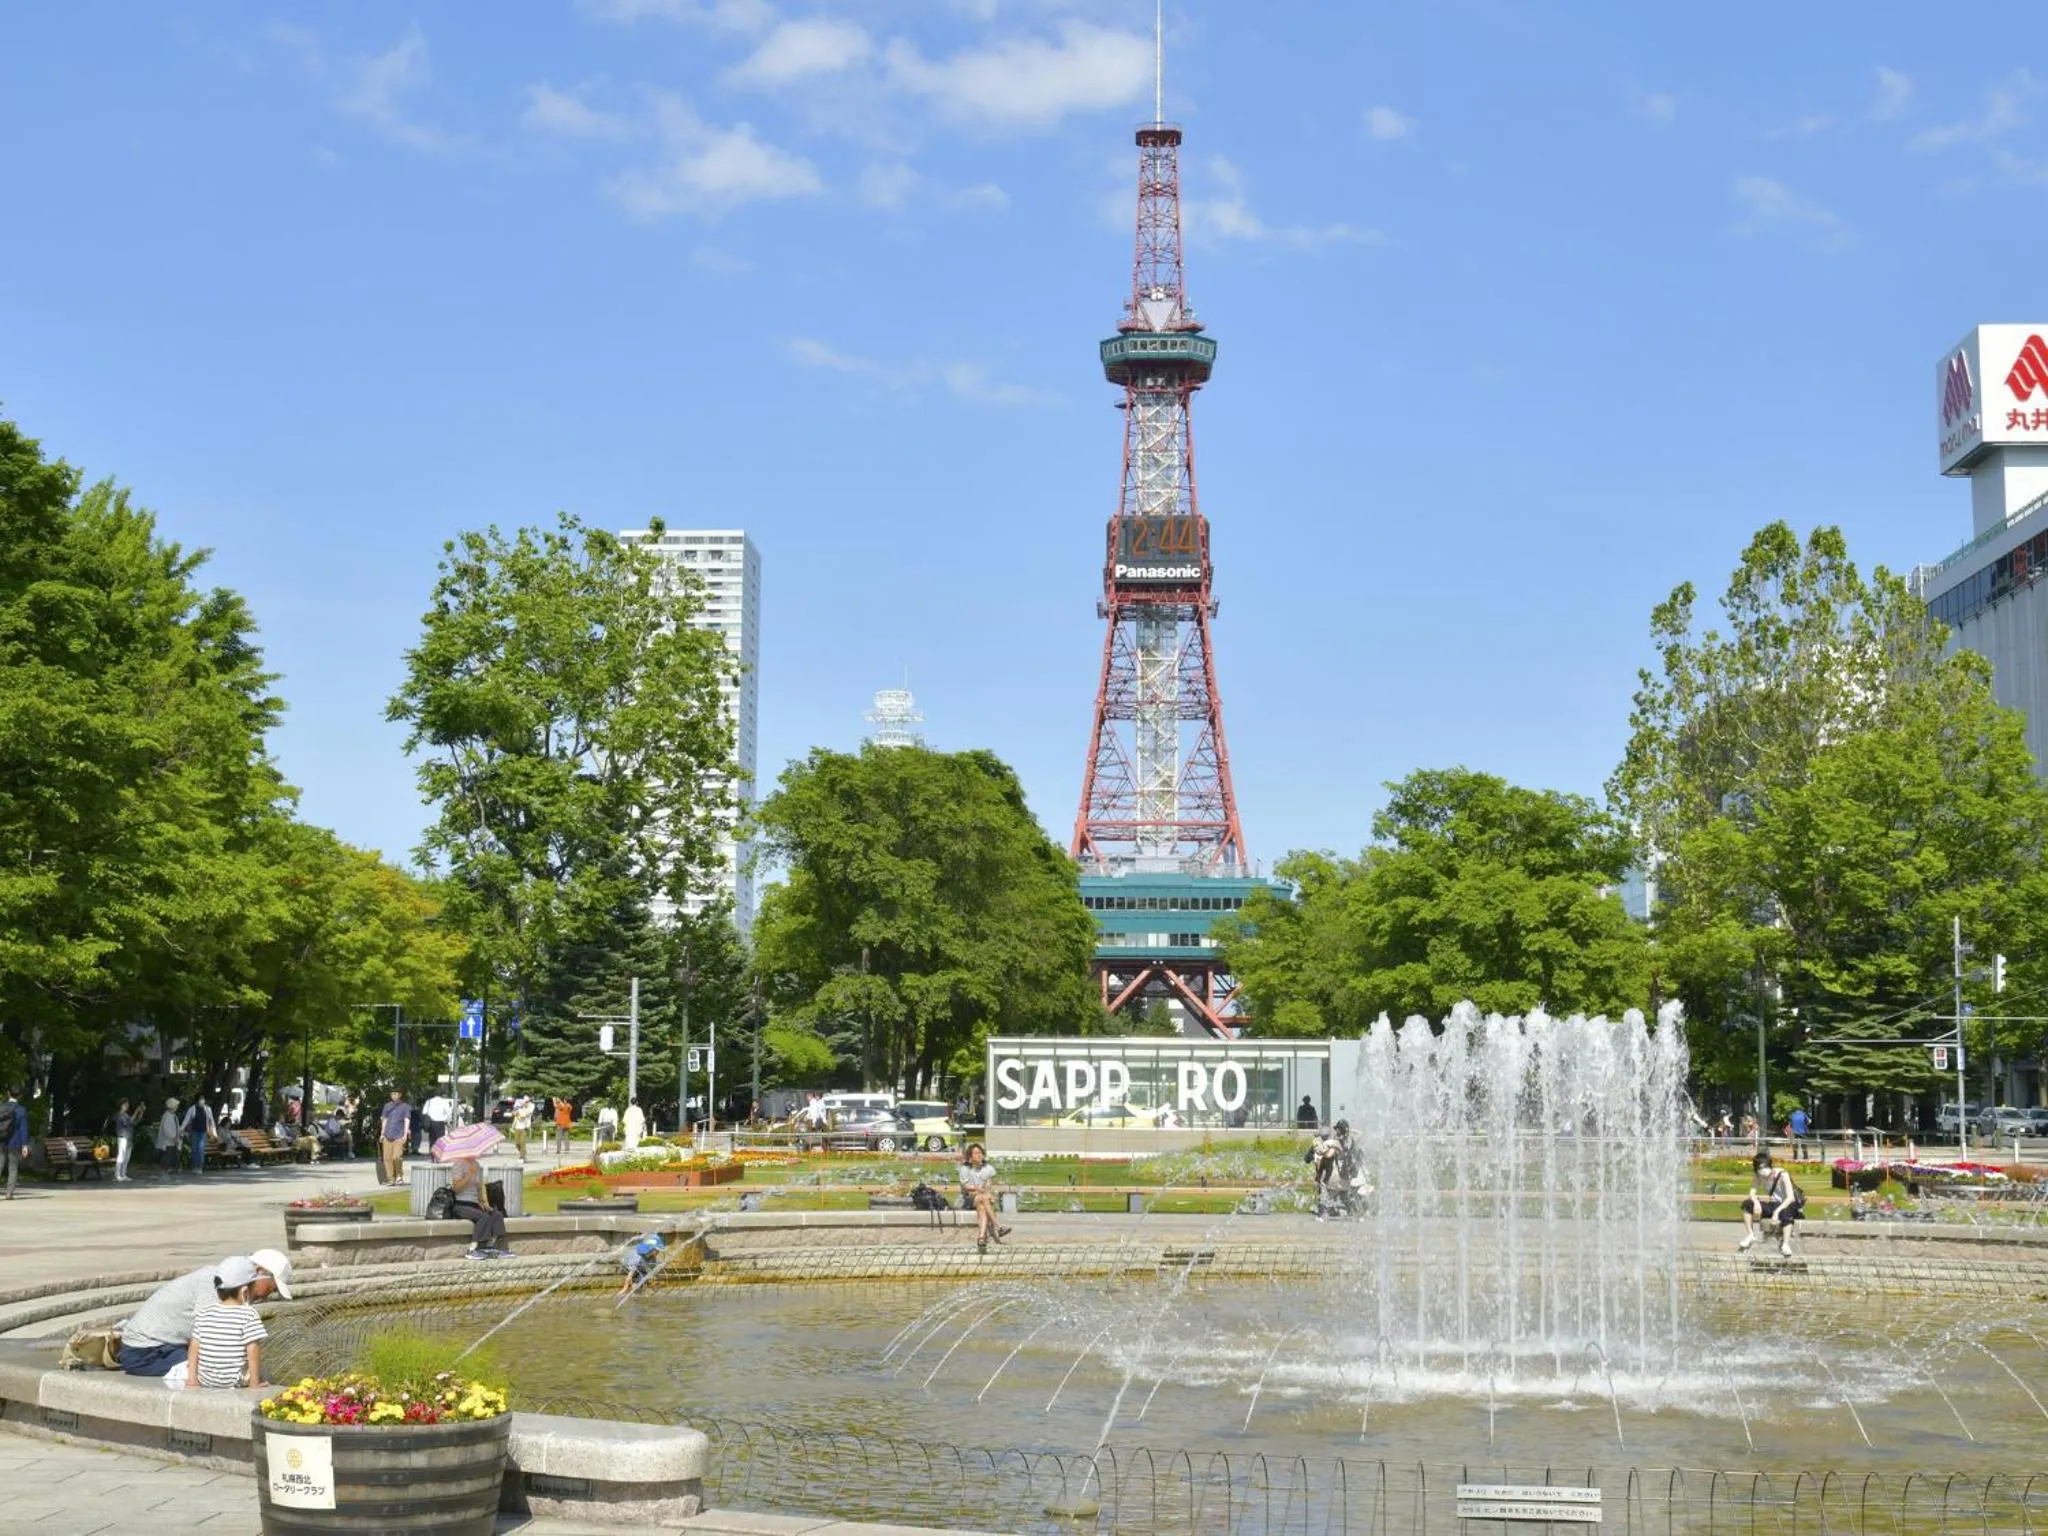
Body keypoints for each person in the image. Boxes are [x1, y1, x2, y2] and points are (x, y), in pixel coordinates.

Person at [118, 1249, 294, 1377]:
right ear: (259, 1271)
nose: (266, 1296)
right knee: (222, 1375)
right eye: (271, 1289)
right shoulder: (219, 1285)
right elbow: (212, 1339)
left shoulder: (228, 1281)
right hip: (146, 1353)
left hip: (163, 1347)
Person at [185, 1256, 268, 1391]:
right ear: (245, 1291)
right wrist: (254, 1383)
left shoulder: (204, 1312)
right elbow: (252, 1349)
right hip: (234, 1380)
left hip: (205, 1379)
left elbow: (194, 1347)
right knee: (264, 1370)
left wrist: (192, 1379)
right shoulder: (249, 1314)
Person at [1739, 1150, 1802, 1258]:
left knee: (1785, 1213)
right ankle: (1750, 1235)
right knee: (1747, 1204)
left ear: (1769, 1165)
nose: (1762, 1171)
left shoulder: (1782, 1174)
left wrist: (1776, 1212)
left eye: (1764, 1167)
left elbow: (1790, 1198)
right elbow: (1752, 1192)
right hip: (1773, 1204)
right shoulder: (1758, 1176)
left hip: (1787, 1205)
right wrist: (1756, 1202)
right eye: (1759, 1168)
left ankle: (1785, 1244)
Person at [449, 1156, 510, 1258]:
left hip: (474, 1204)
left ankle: (499, 1248)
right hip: (461, 1204)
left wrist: (485, 1203)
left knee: (497, 1215)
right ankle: (473, 1249)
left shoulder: (476, 1165)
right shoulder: (458, 1164)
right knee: (483, 1217)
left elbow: (480, 1187)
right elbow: (456, 1189)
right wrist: (468, 1176)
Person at [959, 1142, 1008, 1255]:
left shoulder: (988, 1168)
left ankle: (981, 1238)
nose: (979, 1155)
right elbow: (966, 1187)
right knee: (982, 1198)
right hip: (969, 1198)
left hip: (982, 1198)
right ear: (970, 1156)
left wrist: (988, 1194)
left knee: (982, 1204)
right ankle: (999, 1227)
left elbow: (988, 1185)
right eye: (976, 1153)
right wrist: (977, 1189)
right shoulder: (965, 1168)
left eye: (980, 1152)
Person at [1312, 1119, 1366, 1219]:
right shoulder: (1351, 1140)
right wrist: (1347, 1131)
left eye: (1337, 1129)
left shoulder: (1337, 1142)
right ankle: (1359, 1216)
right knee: (1347, 1196)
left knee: (1328, 1195)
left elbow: (1329, 1155)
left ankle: (1321, 1216)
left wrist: (1321, 1152)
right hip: (1351, 1173)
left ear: (1339, 1130)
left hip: (1342, 1174)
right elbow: (1360, 1133)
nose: (1336, 1131)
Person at [617, 1232, 666, 1297]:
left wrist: (653, 1280)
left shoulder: (652, 1258)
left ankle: (638, 1285)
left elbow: (651, 1270)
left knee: (644, 1275)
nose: (658, 1252)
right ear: (651, 1249)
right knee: (635, 1274)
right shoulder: (637, 1257)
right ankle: (634, 1286)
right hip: (629, 1266)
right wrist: (624, 1289)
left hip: (641, 1267)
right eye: (657, 1250)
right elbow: (630, 1275)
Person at [379, 1090, 411, 1185]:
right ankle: (390, 1178)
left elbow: (406, 1120)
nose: (394, 1095)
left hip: (399, 1135)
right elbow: (384, 1120)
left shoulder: (405, 1106)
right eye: (392, 1093)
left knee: (397, 1157)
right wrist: (382, 1133)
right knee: (387, 1158)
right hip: (387, 1134)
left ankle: (399, 1176)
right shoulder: (387, 1106)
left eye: (396, 1093)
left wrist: (405, 1134)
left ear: (400, 1095)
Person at [0, 1087, 26, 1199]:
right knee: (13, 1167)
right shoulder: (21, 1110)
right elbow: (23, 1128)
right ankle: (9, 1193)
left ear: (8, 1093)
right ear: (20, 1096)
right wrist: (24, 1145)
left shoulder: (1, 1107)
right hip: (15, 1142)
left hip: (1, 1140)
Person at [181, 1098, 217, 1175]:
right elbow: (186, 1120)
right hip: (194, 1132)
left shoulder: (207, 1109)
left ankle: (199, 1167)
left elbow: (211, 1121)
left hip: (203, 1132)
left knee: (200, 1149)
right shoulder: (192, 1109)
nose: (202, 1101)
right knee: (194, 1149)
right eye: (200, 1099)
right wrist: (181, 1129)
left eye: (203, 1099)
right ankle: (194, 1166)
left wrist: (214, 1133)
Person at [113, 1099, 137, 1182]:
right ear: (121, 1105)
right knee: (121, 1156)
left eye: (127, 1104)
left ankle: (123, 1174)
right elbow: (127, 1123)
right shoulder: (120, 1115)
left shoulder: (126, 1115)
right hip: (122, 1137)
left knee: (127, 1157)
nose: (127, 1106)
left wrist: (140, 1113)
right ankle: (117, 1175)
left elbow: (134, 1122)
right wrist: (136, 1112)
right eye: (125, 1104)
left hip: (129, 1137)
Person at [158, 1100, 182, 1172]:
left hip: (174, 1140)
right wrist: (173, 1137)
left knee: (172, 1154)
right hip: (168, 1140)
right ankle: (165, 1169)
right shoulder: (166, 1116)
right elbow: (166, 1130)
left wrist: (179, 1134)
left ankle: (170, 1168)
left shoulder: (174, 1116)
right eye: (176, 1106)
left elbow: (177, 1127)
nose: (177, 1107)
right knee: (167, 1154)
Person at [510, 1094, 534, 1161]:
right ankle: (524, 1153)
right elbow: (513, 1112)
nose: (526, 1103)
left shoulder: (531, 1106)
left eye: (527, 1102)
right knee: (517, 1143)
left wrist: (520, 1112)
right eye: (525, 1101)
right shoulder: (519, 1105)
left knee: (522, 1143)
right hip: (517, 1127)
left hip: (524, 1127)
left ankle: (521, 1157)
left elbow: (526, 1114)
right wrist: (515, 1113)